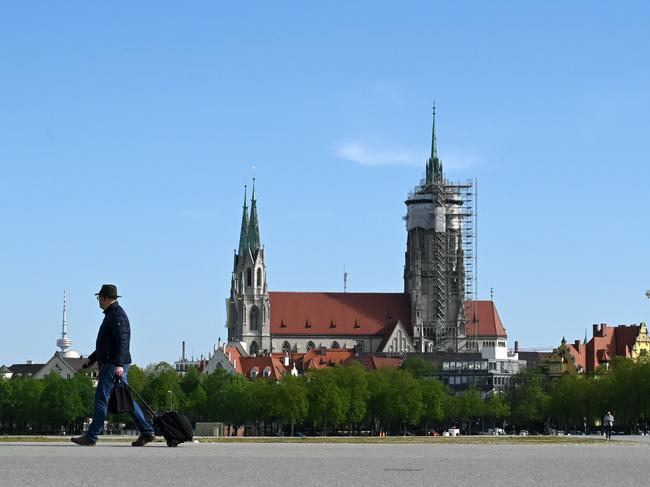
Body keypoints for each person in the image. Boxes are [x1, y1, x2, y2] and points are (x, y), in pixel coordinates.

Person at [71, 284, 156, 446]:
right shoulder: (111, 314)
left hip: (113, 364)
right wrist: (91, 359)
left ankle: (91, 436)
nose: (98, 302)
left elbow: (123, 341)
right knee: (126, 400)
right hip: (114, 362)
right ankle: (147, 432)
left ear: (105, 298)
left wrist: (119, 364)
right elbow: (106, 344)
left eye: (99, 298)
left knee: (101, 399)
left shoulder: (116, 315)